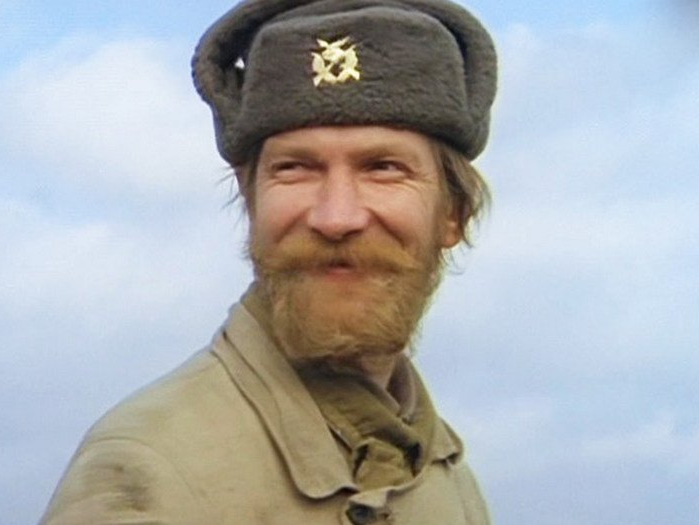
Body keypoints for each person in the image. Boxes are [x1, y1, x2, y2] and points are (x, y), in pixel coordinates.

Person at [39, 0, 497, 523]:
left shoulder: (445, 480)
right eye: (296, 168)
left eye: (383, 168)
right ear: (251, 200)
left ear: (454, 214)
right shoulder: (145, 475)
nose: (336, 217)